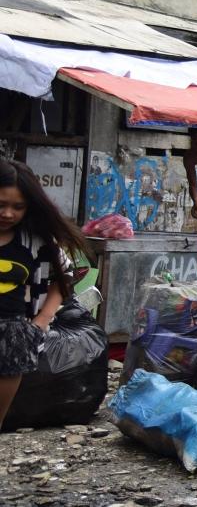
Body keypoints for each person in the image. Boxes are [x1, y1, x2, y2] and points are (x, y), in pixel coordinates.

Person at [0, 158, 89, 428]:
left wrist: (42, 320)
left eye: (18, 207)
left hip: (12, 336)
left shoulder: (36, 242)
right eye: (1, 204)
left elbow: (66, 275)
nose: (7, 214)